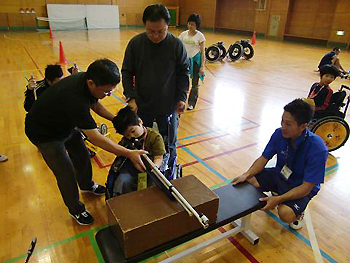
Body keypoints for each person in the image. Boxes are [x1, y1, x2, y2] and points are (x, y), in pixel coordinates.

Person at [25, 59, 146, 225]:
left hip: (64, 124)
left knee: (81, 155)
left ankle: (86, 185)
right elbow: (95, 137)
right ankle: (76, 210)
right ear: (91, 83)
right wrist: (128, 153)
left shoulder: (87, 81)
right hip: (44, 133)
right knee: (65, 172)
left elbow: (95, 105)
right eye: (106, 92)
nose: (106, 95)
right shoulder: (75, 99)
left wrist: (118, 120)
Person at [232, 99, 328, 230]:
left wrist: (278, 200)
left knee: (285, 214)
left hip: (300, 186)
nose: (283, 126)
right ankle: (277, 192)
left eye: (288, 124)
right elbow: (263, 158)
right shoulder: (279, 134)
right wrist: (246, 174)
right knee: (247, 181)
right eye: (282, 121)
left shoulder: (318, 149)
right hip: (280, 175)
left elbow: (306, 187)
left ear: (303, 126)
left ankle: (297, 212)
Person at [122, 4, 190, 179]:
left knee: (169, 144)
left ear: (168, 26)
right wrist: (131, 96)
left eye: (161, 31)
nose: (155, 36)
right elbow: (127, 71)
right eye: (150, 31)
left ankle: (170, 178)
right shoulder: (136, 44)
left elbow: (184, 72)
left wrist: (182, 97)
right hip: (142, 106)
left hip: (168, 107)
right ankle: (142, 177)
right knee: (141, 142)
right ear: (145, 26)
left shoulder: (176, 45)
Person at [106, 106, 166, 197]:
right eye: (127, 135)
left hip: (150, 169)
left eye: (133, 131)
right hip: (131, 169)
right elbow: (118, 151)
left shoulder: (155, 137)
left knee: (154, 185)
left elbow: (159, 157)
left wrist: (154, 168)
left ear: (140, 121)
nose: (131, 136)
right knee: (122, 180)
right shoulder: (126, 140)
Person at [179, 13, 206, 110]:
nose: (190, 26)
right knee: (183, 81)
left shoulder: (200, 36)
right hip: (185, 61)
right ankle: (181, 100)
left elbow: (203, 53)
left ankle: (191, 103)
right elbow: (178, 47)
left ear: (197, 25)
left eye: (193, 24)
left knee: (195, 83)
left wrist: (202, 66)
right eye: (189, 23)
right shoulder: (183, 34)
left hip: (195, 61)